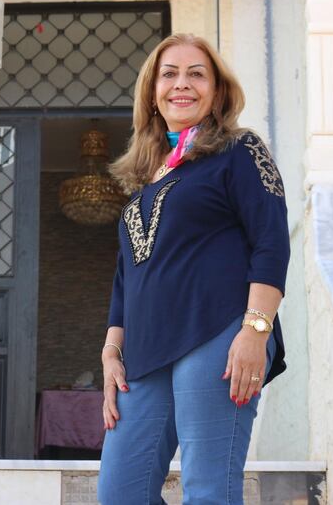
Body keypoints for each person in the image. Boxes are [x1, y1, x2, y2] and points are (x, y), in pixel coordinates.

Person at [97, 33, 290, 505]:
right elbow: (128, 276)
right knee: (121, 494)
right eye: (169, 74)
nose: (181, 84)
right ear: (153, 93)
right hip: (144, 354)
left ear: (217, 91)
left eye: (196, 73)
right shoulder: (149, 177)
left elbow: (271, 240)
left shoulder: (241, 150)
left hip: (218, 336)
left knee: (208, 491)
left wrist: (256, 329)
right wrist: (110, 350)